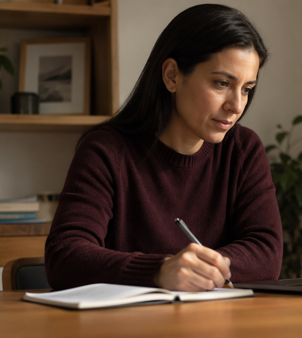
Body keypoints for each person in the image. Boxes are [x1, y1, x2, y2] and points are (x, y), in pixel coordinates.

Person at [45, 4, 283, 292]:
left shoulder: (244, 149)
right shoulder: (106, 150)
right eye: (221, 83)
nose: (237, 105)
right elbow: (65, 256)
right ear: (172, 76)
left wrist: (197, 270)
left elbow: (267, 253)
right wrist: (160, 271)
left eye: (246, 89)